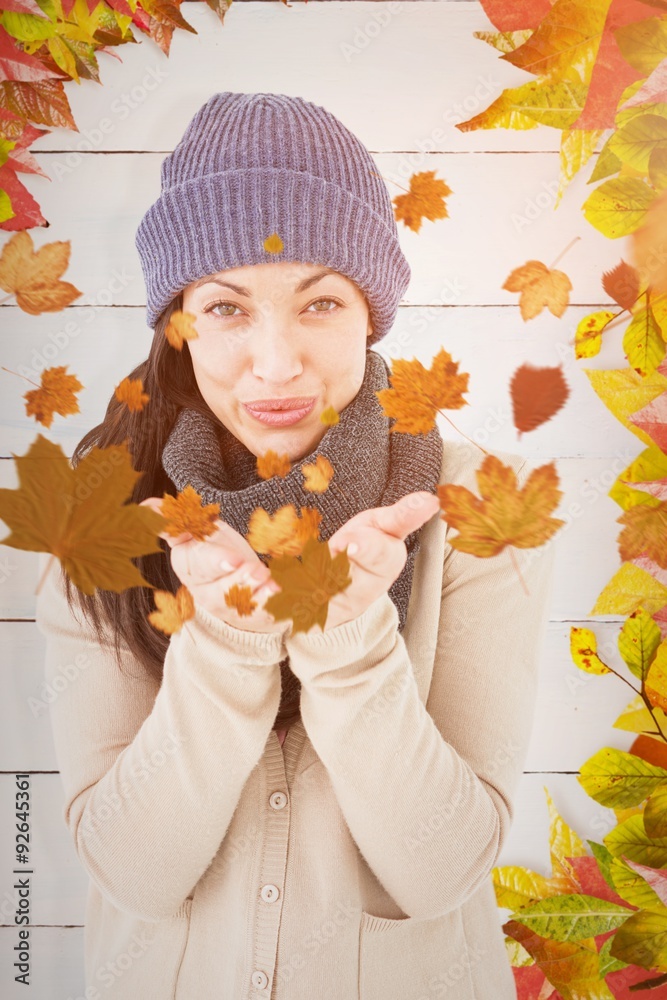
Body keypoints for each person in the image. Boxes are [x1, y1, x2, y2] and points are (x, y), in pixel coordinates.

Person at [35, 92, 556, 1000]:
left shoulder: (475, 507)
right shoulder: (105, 516)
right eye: (227, 310)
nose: (274, 364)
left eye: (318, 302)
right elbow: (133, 873)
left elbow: (444, 871)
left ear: (370, 312)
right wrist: (229, 644)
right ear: (178, 324)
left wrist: (351, 644)